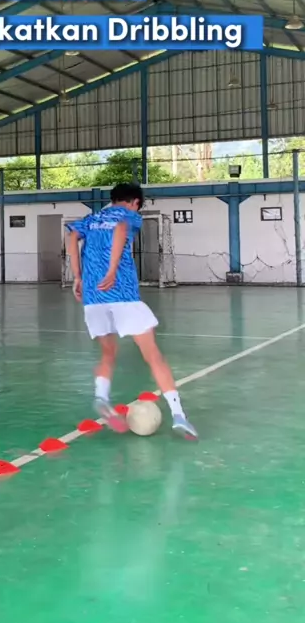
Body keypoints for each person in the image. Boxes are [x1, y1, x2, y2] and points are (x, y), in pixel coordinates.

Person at [66, 182, 198, 439]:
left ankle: (101, 396)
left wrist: (77, 276)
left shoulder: (91, 219)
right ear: (135, 202)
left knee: (108, 352)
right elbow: (120, 229)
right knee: (153, 356)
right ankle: (178, 415)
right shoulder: (129, 216)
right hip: (122, 294)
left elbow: (71, 236)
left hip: (93, 297)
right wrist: (112, 270)